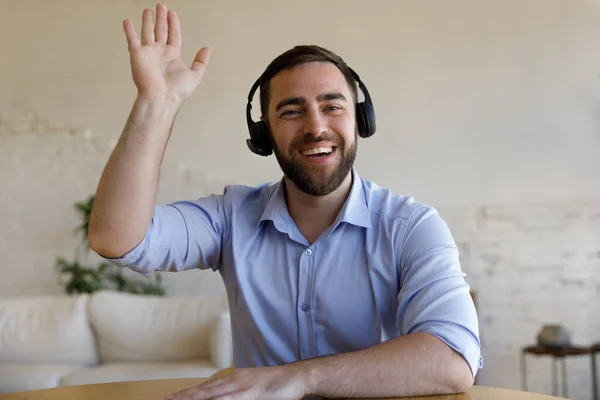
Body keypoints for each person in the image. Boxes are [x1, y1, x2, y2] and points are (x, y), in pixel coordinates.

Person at [89, 3, 482, 400]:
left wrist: (299, 378)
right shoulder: (231, 218)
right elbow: (117, 239)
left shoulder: (410, 226)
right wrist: (157, 102)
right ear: (264, 136)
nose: (315, 127)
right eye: (291, 111)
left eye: (333, 106)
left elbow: (452, 359)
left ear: (360, 122)